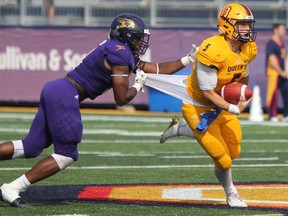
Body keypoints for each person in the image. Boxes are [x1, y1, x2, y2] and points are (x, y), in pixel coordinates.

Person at [0, 13, 197, 207]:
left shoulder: (117, 49)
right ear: (124, 35)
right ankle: (13, 187)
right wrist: (137, 86)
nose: (140, 43)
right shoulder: (119, 53)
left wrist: (187, 59)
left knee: (31, 146)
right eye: (136, 37)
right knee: (66, 154)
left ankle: (12, 187)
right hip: (66, 94)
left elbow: (154, 68)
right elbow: (121, 99)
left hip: (57, 89)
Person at [159, 3, 257, 207]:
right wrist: (233, 108)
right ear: (227, 26)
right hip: (198, 106)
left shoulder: (247, 48)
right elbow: (207, 92)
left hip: (222, 103)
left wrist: (240, 97)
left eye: (248, 25)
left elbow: (242, 75)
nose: (247, 29)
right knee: (223, 160)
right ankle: (231, 193)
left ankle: (185, 129)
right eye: (241, 25)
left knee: (234, 151)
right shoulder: (212, 49)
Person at [265, 23, 288, 122]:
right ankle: (272, 115)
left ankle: (286, 114)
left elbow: (285, 58)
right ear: (275, 30)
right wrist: (281, 71)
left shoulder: (282, 43)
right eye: (282, 29)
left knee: (286, 93)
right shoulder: (271, 43)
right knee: (273, 94)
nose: (284, 31)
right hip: (274, 73)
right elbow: (272, 59)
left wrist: (286, 71)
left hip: (283, 74)